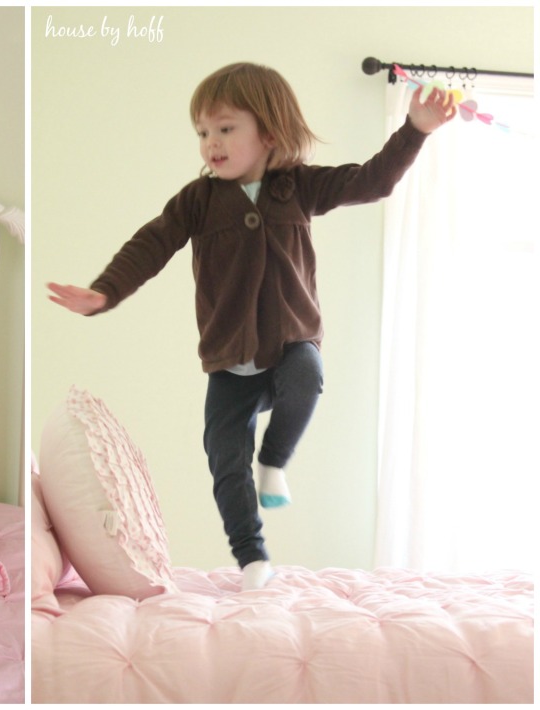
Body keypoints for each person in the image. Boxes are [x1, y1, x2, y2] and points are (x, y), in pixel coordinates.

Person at [48, 62, 455, 590]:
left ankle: (275, 461)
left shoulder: (298, 187)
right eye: (202, 132)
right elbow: (149, 245)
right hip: (229, 359)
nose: (210, 143)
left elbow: (371, 182)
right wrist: (106, 291)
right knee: (222, 456)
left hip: (290, 340)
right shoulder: (198, 201)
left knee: (307, 376)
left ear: (267, 131)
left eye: (224, 128)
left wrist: (414, 130)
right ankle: (253, 557)